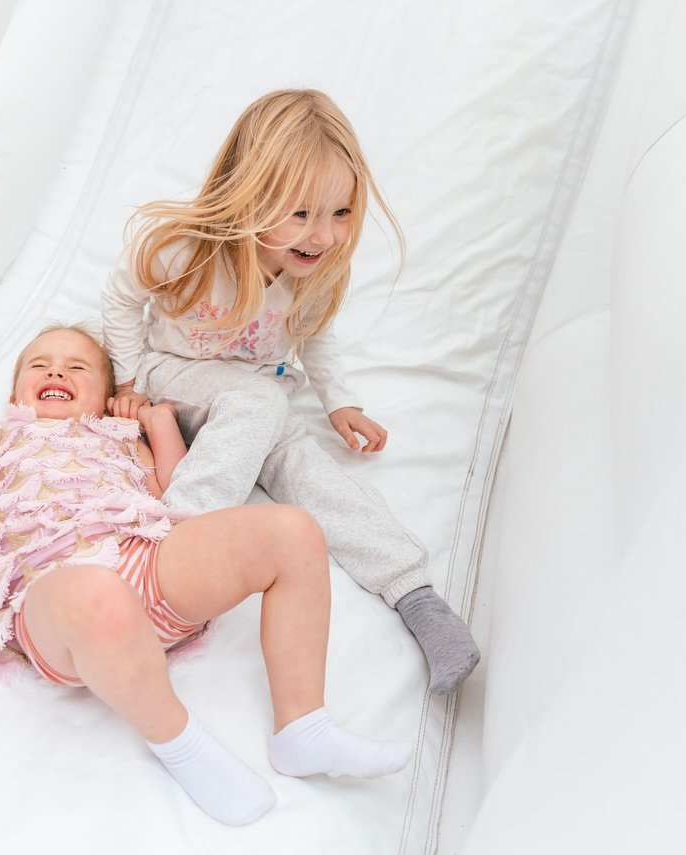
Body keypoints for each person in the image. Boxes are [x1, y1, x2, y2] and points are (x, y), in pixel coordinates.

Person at [0, 325, 411, 826]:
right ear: (16, 395)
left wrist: (155, 424)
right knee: (95, 594)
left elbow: (179, 494)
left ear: (107, 395)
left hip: (146, 564)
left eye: (78, 368)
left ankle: (303, 725)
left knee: (292, 531)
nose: (57, 373)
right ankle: (180, 741)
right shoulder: (8, 439)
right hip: (58, 598)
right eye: (40, 365)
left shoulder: (123, 433)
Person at [101, 88, 479, 694]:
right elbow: (122, 298)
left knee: (311, 472)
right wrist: (125, 377)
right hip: (173, 377)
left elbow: (316, 337)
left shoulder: (317, 272)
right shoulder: (184, 250)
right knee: (260, 401)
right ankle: (177, 540)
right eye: (301, 213)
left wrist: (338, 402)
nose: (323, 235)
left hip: (254, 401)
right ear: (249, 193)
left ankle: (417, 597)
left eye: (341, 213)